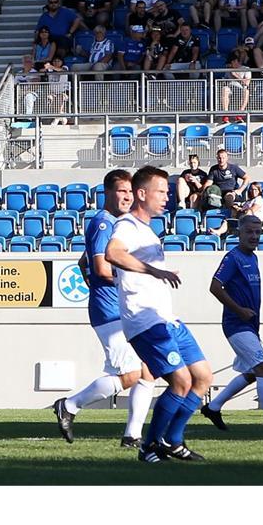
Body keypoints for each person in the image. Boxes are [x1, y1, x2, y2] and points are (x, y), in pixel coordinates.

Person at [105, 166, 211, 462]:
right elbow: (113, 253)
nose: (167, 197)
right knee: (180, 381)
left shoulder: (149, 231)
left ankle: (173, 441)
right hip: (145, 322)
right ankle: (149, 445)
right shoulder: (127, 225)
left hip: (166, 320)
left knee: (202, 377)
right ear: (142, 193)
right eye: (161, 191)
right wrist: (153, 270)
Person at [51, 170, 155, 448]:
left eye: (131, 192)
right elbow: (100, 267)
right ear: (108, 192)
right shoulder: (103, 223)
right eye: (122, 191)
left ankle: (132, 436)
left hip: (119, 307)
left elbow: (82, 263)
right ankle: (69, 405)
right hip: (109, 310)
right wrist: (133, 278)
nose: (127, 197)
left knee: (146, 371)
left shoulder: (115, 224)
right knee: (131, 375)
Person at [198, 215, 263, 433]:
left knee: (253, 373)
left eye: (257, 232)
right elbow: (215, 287)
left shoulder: (253, 258)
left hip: (249, 325)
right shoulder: (232, 258)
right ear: (239, 233)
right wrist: (239, 310)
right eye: (249, 232)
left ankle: (213, 407)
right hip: (236, 324)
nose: (254, 236)